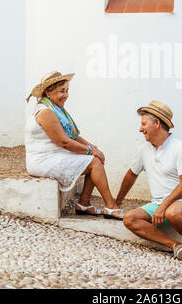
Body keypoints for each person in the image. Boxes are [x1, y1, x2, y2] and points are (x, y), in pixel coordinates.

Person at [116, 100, 182, 265]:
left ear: (156, 123)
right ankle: (177, 246)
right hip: (159, 203)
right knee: (130, 218)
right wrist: (117, 201)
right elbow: (131, 174)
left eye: (143, 124)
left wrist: (163, 207)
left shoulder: (180, 147)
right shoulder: (144, 149)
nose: (140, 129)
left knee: (172, 212)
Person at [25, 71, 123, 220]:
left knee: (93, 157)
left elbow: (73, 136)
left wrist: (93, 148)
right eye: (61, 91)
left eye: (67, 91)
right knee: (94, 162)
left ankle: (84, 204)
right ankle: (111, 206)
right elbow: (63, 142)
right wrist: (91, 151)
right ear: (48, 92)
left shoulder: (54, 109)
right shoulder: (45, 112)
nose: (65, 95)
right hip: (42, 161)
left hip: (52, 155)